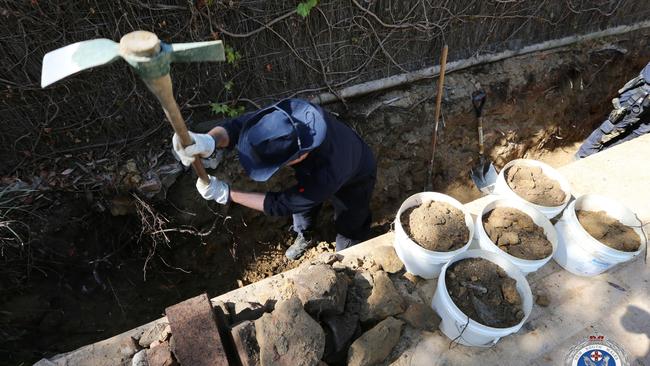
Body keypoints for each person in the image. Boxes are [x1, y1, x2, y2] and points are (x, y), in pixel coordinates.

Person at [172, 98, 377, 260]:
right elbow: (237, 127)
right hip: (317, 168)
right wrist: (209, 140)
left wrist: (227, 194)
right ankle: (305, 236)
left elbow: (282, 204)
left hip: (356, 175)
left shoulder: (328, 174)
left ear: (298, 156)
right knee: (303, 209)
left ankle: (349, 254)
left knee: (350, 220)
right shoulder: (287, 118)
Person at [576, 61, 650, 158]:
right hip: (641, 94)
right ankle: (582, 156)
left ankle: (606, 155)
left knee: (640, 132)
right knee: (612, 126)